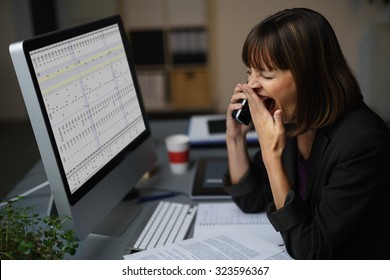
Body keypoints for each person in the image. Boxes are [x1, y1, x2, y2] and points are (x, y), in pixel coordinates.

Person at [224, 7, 390, 259]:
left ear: (309, 76)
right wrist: (235, 138)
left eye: (266, 74)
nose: (252, 85)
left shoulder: (363, 142)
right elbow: (251, 200)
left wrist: (271, 156)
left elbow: (311, 251)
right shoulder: (293, 120)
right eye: (250, 72)